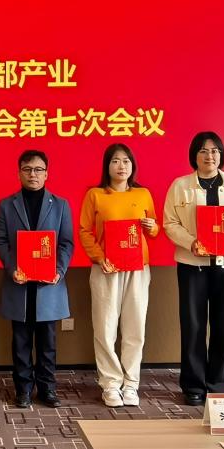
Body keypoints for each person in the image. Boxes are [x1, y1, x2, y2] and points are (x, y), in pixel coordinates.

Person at [163, 131, 224, 406]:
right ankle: (193, 385)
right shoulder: (180, 185)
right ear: (194, 155)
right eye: (203, 151)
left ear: (221, 154)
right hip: (193, 265)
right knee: (193, 324)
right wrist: (190, 242)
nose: (209, 156)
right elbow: (170, 223)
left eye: (214, 151)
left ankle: (220, 383)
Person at [78, 143, 158, 408]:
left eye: (126, 161)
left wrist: (152, 226)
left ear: (132, 165)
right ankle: (111, 384)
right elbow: (84, 231)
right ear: (107, 166)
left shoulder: (143, 194)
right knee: (105, 327)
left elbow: (154, 230)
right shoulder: (95, 195)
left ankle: (131, 384)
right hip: (106, 269)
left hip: (138, 269)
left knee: (135, 327)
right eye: (115, 161)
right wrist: (100, 258)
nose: (121, 166)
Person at [0, 150, 74, 409]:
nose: (33, 174)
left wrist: (58, 270)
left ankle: (47, 388)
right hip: (19, 282)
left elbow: (66, 243)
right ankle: (23, 389)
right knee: (21, 341)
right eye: (27, 169)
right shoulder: (6, 205)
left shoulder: (60, 205)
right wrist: (12, 268)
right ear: (19, 173)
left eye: (38, 169)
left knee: (47, 342)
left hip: (48, 285)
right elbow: (0, 241)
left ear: (47, 174)